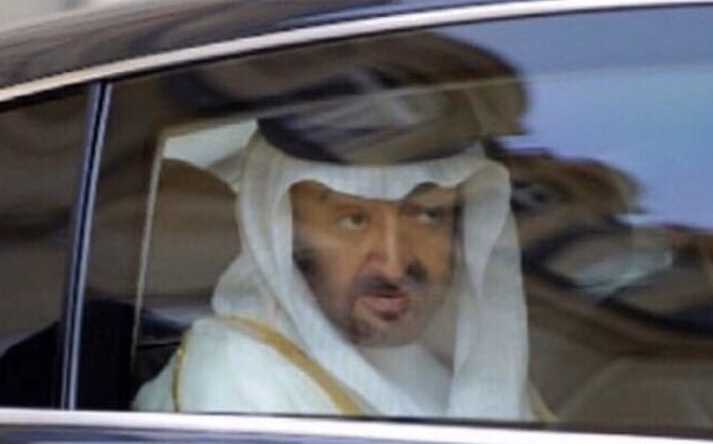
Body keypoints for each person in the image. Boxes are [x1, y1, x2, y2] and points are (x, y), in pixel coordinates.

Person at [133, 128, 548, 421]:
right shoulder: (238, 383)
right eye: (353, 220)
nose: (393, 264)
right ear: (285, 231)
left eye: (426, 215)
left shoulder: (452, 357)